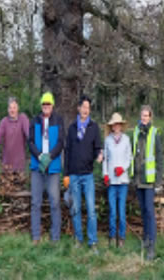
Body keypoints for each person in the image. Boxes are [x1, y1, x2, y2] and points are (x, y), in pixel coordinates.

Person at [63, 96, 102, 252]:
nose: (86, 110)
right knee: (76, 209)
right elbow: (68, 151)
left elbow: (97, 148)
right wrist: (66, 175)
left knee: (91, 210)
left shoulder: (94, 127)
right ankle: (78, 239)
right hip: (73, 175)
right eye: (83, 107)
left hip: (88, 175)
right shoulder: (72, 128)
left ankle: (92, 242)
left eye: (88, 107)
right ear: (78, 108)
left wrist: (99, 155)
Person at [28, 92, 65, 244]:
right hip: (37, 167)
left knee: (54, 202)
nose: (46, 107)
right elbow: (30, 142)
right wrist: (39, 156)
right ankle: (36, 236)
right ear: (41, 105)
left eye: (48, 104)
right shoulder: (34, 121)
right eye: (44, 104)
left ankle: (55, 236)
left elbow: (61, 142)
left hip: (53, 167)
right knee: (36, 202)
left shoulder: (58, 120)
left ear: (52, 105)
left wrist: (49, 156)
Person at [131, 105, 163, 261]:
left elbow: (159, 158)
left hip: (149, 180)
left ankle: (152, 244)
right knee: (143, 210)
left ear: (150, 117)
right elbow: (134, 154)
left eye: (146, 116)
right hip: (138, 178)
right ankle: (145, 239)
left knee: (150, 212)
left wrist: (158, 181)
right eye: (142, 115)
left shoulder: (154, 133)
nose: (144, 118)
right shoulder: (136, 131)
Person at [102, 112, 132, 248]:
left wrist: (123, 168)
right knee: (113, 211)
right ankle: (112, 236)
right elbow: (105, 159)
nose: (117, 126)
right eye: (114, 124)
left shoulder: (126, 139)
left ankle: (122, 237)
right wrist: (105, 174)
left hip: (123, 180)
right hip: (112, 182)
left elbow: (129, 158)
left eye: (118, 124)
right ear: (112, 126)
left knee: (121, 211)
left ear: (121, 125)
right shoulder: (108, 140)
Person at [0, 97, 30, 172]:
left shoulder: (23, 119)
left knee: (19, 183)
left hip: (19, 165)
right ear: (7, 109)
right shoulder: (4, 121)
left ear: (18, 108)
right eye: (10, 108)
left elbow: (29, 134)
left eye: (14, 108)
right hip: (6, 164)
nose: (12, 110)